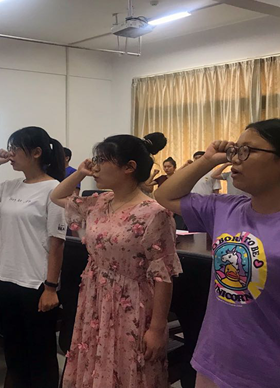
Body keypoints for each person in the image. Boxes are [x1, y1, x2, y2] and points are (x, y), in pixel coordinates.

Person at [155, 119, 280, 388]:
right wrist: (208, 159)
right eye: (235, 150)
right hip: (214, 364)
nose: (234, 160)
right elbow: (165, 196)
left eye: (247, 151)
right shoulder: (226, 208)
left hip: (276, 375)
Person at [50, 132, 182, 388]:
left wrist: (157, 328)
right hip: (95, 296)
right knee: (94, 361)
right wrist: (79, 173)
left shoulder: (155, 213)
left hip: (131, 300)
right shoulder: (99, 201)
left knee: (127, 367)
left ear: (129, 167)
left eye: (102, 160)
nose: (95, 167)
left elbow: (163, 274)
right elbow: (57, 196)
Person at [0, 126, 67, 388]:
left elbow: (57, 243)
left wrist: (51, 287)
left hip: (36, 283)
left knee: (40, 352)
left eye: (15, 148)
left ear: (36, 152)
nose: (10, 154)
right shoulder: (10, 186)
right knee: (14, 347)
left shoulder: (54, 189)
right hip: (7, 277)